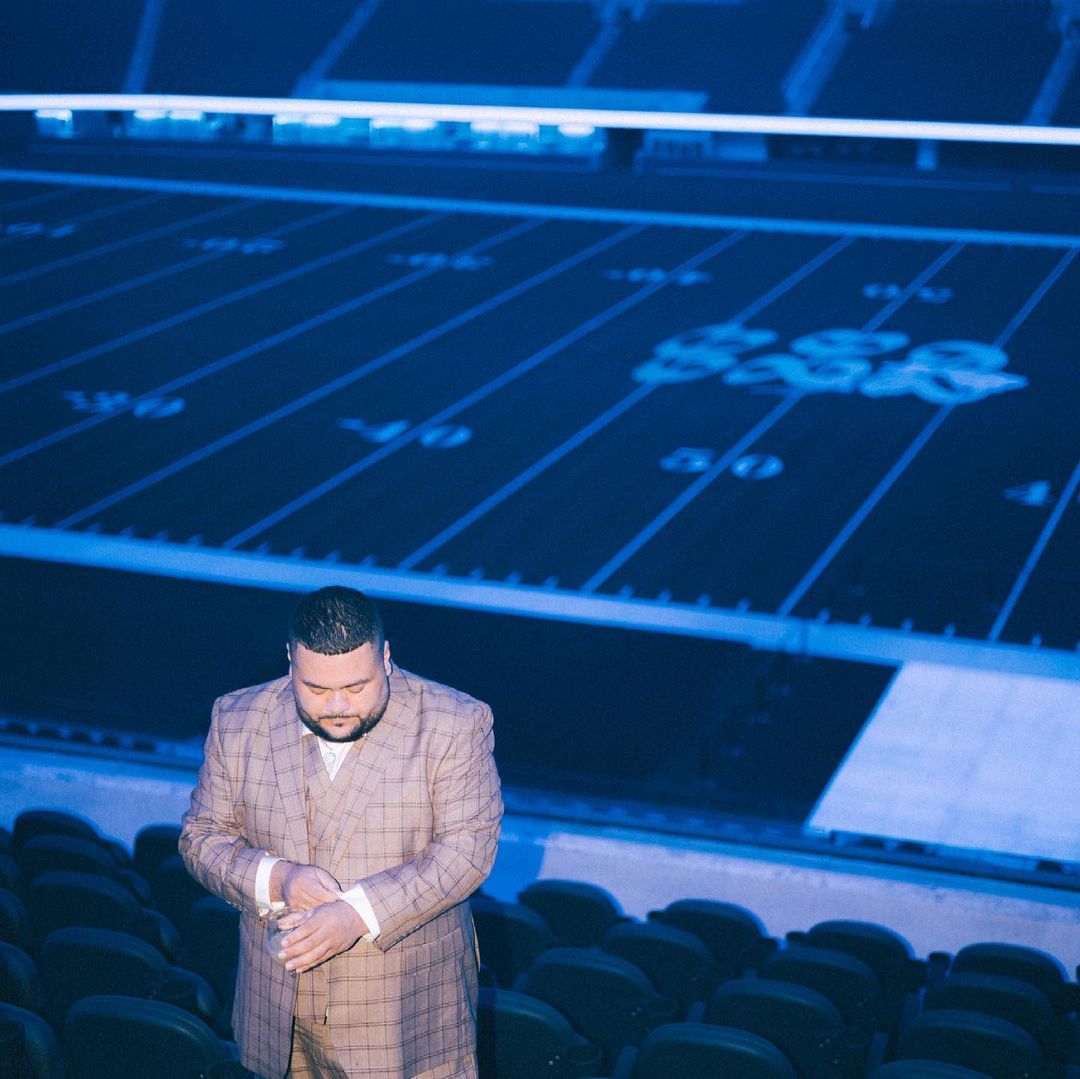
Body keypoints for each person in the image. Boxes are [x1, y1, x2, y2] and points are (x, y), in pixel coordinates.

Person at [179, 585, 502, 1079]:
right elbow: (201, 837)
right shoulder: (236, 718)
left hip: (407, 1023)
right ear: (290, 661)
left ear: (386, 658)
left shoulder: (456, 723)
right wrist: (278, 879)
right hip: (276, 1017)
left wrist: (355, 915)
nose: (336, 706)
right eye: (315, 689)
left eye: (356, 687)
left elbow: (466, 852)